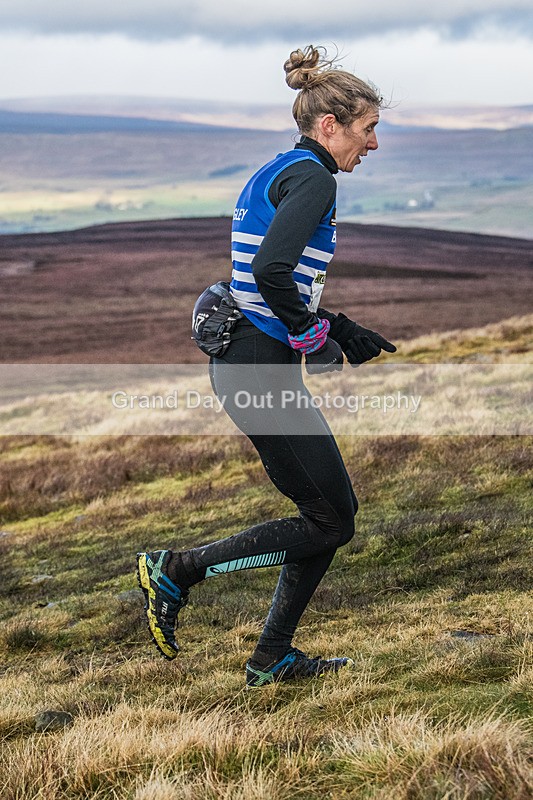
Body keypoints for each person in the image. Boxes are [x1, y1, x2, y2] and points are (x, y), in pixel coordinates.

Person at [137, 45, 396, 687]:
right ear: (330, 125)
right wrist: (311, 335)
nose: (373, 144)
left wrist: (339, 327)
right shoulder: (315, 177)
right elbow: (270, 270)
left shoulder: (283, 170)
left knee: (329, 515)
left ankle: (272, 655)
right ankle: (181, 570)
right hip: (258, 368)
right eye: (368, 130)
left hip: (253, 362)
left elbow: (271, 279)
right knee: (331, 516)